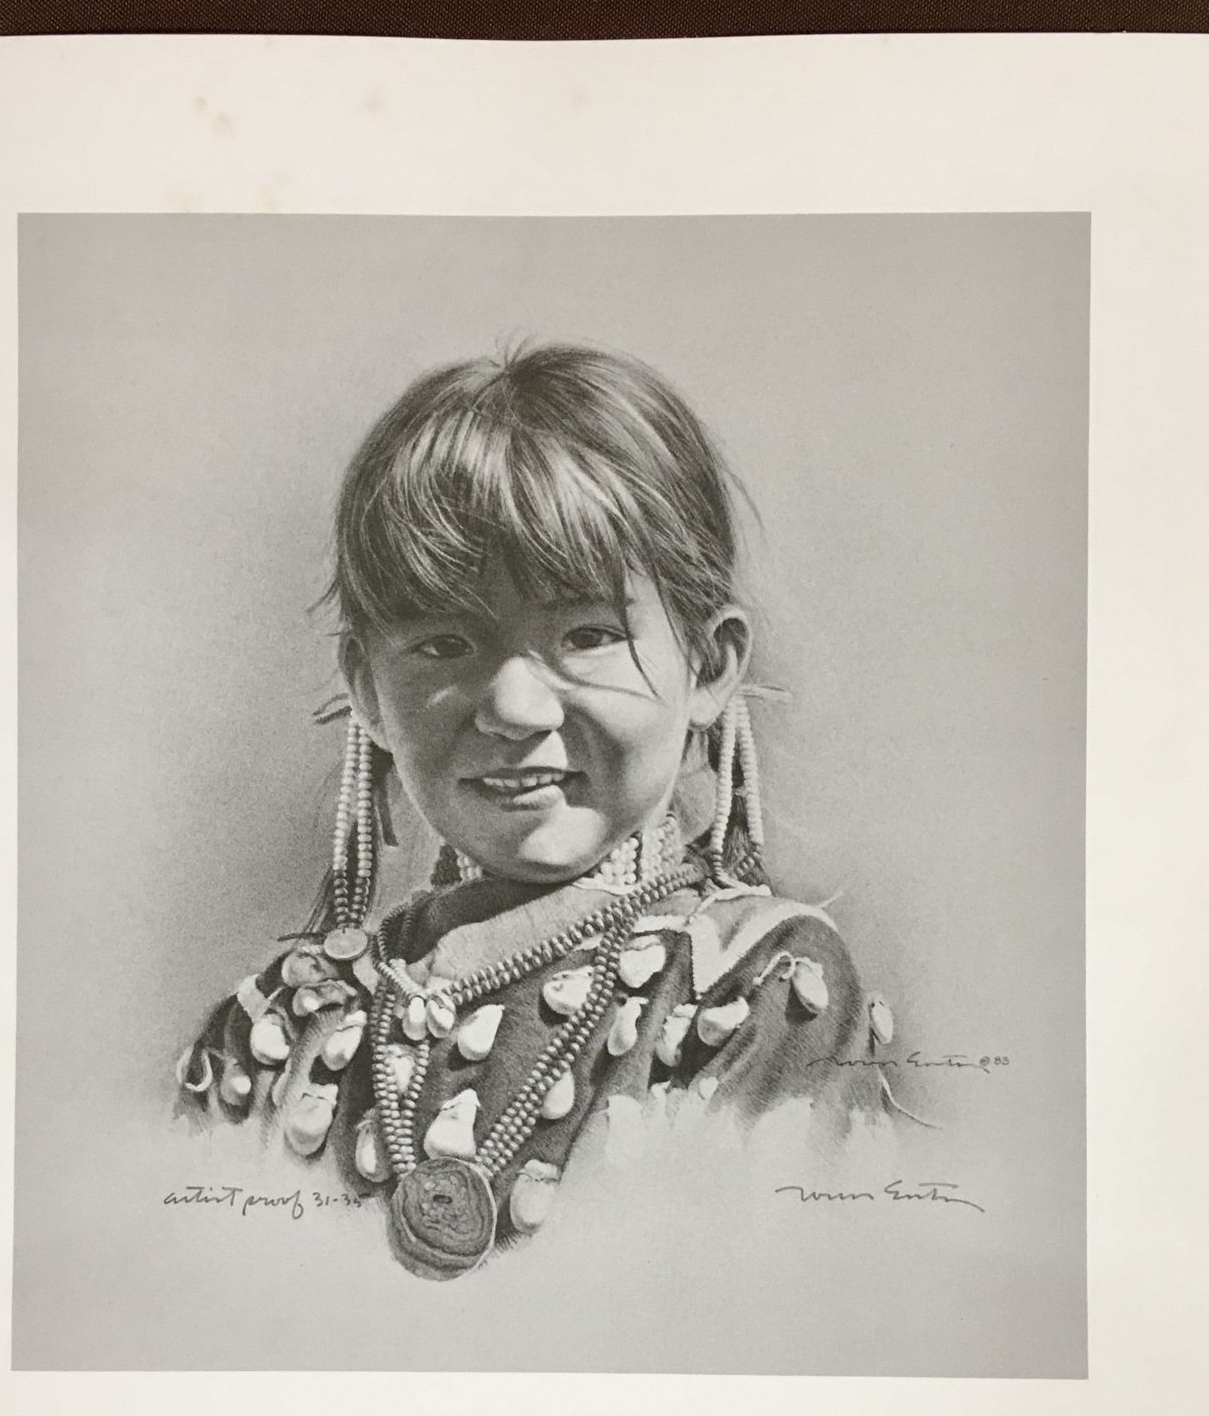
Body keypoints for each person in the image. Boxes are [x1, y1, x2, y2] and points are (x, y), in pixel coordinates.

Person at [176, 343, 902, 1279]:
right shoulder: (277, 1028)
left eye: (587, 635)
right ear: (366, 688)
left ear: (709, 665)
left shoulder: (755, 988)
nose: (515, 708)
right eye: (444, 644)